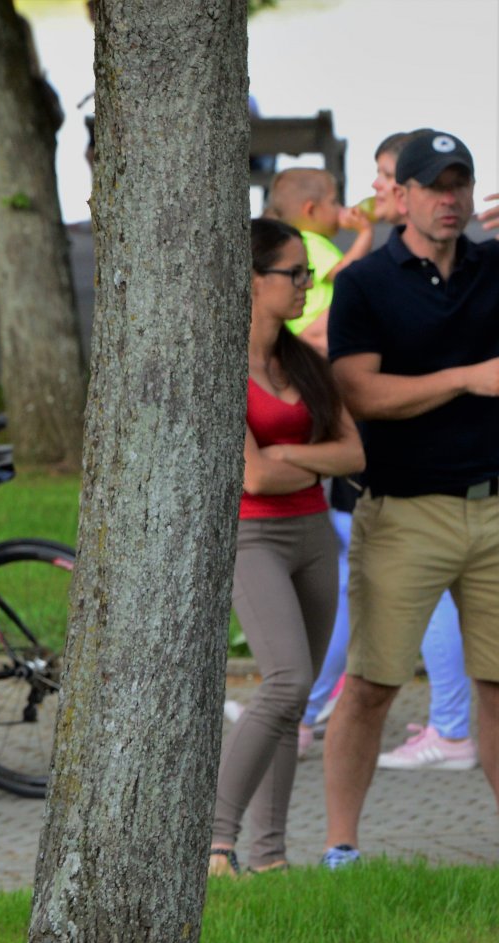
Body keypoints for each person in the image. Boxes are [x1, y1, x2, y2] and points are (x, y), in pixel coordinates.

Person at [321, 130, 499, 868]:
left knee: (498, 684)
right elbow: (359, 391)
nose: (449, 199)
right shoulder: (366, 284)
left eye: (460, 184)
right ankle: (341, 846)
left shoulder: (495, 267)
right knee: (371, 684)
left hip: (494, 506)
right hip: (404, 510)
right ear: (402, 196)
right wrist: (465, 378)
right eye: (434, 186)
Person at [298, 132, 475, 771]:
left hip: (450, 488)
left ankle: (452, 729)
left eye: (385, 177)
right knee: (356, 607)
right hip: (383, 477)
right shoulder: (371, 275)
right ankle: (307, 709)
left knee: (437, 620)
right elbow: (343, 363)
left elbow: (314, 333)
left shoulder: (473, 268)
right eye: (379, 177)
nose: (374, 190)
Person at [209, 219, 365, 877]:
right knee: (287, 679)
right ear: (252, 280)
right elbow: (252, 476)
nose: (307, 284)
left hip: (312, 535)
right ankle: (215, 841)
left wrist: (291, 454)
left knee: (294, 698)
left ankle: (270, 858)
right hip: (253, 536)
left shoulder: (303, 361)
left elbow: (354, 452)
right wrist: (305, 461)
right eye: (294, 273)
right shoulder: (218, 364)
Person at [262, 167, 374, 356]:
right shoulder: (308, 242)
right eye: (334, 202)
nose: (340, 208)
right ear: (311, 210)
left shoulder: (307, 242)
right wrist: (365, 234)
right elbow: (343, 274)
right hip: (315, 326)